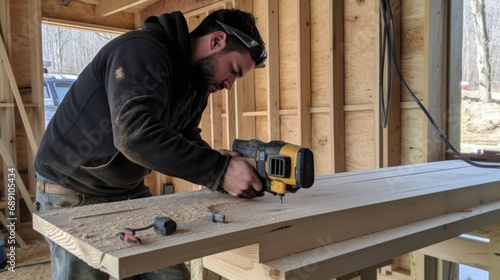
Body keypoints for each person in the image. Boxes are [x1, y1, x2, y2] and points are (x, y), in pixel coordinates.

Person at [34, 8, 267, 280]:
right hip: (73, 190)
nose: (229, 85)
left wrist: (223, 161)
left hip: (128, 191)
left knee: (169, 275)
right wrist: (220, 170)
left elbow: (186, 135)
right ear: (216, 41)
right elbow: (134, 135)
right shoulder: (141, 51)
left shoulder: (196, 84)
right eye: (234, 70)